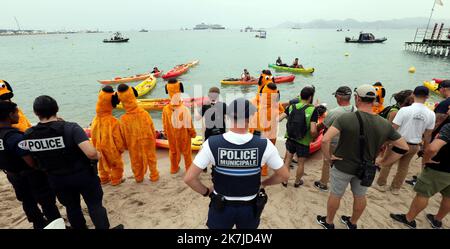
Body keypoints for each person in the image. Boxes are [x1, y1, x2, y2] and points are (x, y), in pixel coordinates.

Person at [184, 98, 289, 229]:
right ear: (251, 117)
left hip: (221, 207)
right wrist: (264, 183)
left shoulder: (212, 143)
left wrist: (206, 192)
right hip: (250, 208)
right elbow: (284, 175)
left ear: (227, 116)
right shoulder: (264, 145)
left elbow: (189, 178)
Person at [316, 85, 409, 229]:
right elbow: (404, 147)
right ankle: (352, 223)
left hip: (342, 165)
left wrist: (328, 158)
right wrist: (384, 162)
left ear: (357, 98)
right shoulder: (384, 124)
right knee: (360, 196)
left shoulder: (346, 118)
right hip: (366, 167)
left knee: (336, 194)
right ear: (374, 100)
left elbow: (325, 140)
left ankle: (328, 222)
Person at [23, 96, 116, 229]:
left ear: (36, 113)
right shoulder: (71, 128)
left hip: (56, 178)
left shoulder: (29, 134)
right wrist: (98, 156)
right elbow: (90, 153)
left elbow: (31, 160)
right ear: (57, 109)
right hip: (82, 175)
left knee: (72, 208)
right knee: (95, 205)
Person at [0, 101, 61, 229]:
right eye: (16, 113)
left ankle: (38, 223)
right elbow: (29, 159)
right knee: (47, 202)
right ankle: (54, 223)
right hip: (29, 174)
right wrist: (40, 168)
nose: (18, 115)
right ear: (10, 115)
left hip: (11, 174)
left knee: (27, 200)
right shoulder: (14, 137)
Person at [374, 86, 435, 195]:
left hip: (399, 143)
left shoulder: (404, 110)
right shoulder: (431, 114)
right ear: (427, 97)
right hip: (415, 145)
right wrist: (425, 148)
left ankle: (381, 185)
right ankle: (395, 188)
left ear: (413, 95)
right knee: (403, 167)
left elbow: (393, 128)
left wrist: (385, 142)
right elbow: (428, 134)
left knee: (387, 163)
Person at [390, 121, 450, 229]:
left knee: (423, 194)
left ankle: (409, 219)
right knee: (448, 196)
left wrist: (426, 159)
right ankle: (437, 220)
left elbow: (433, 148)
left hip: (441, 168)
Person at [314, 86, 355, 192]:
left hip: (334, 142)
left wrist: (313, 130)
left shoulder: (335, 112)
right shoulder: (355, 110)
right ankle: (340, 183)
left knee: (327, 162)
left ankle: (323, 183)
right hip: (349, 142)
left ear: (339, 97)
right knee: (342, 163)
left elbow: (323, 126)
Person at [117, 84, 159, 182]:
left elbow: (122, 135)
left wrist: (125, 146)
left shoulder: (123, 119)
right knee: (151, 157)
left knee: (136, 160)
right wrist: (153, 138)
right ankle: (154, 174)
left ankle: (139, 177)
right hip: (147, 139)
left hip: (133, 143)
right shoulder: (144, 113)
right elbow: (152, 127)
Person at [279, 86, 319, 187]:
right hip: (303, 141)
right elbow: (313, 130)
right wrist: (314, 137)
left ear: (300, 96)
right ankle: (297, 182)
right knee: (301, 163)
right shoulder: (312, 110)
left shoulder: (292, 106)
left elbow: (279, 119)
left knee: (288, 159)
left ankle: (285, 181)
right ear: (310, 97)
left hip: (290, 138)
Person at [90, 86, 125, 186]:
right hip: (111, 147)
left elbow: (93, 134)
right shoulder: (112, 121)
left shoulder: (95, 120)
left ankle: (104, 178)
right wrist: (121, 148)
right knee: (116, 164)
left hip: (98, 147)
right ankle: (116, 179)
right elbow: (117, 137)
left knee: (102, 163)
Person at [250, 83, 285, 176]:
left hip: (257, 130)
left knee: (255, 149)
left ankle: (254, 167)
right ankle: (264, 170)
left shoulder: (257, 99)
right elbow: (281, 114)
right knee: (266, 151)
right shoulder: (276, 103)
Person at [162, 78, 196, 174]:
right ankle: (188, 169)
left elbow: (164, 123)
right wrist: (193, 133)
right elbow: (189, 124)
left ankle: (174, 168)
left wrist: (165, 133)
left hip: (172, 136)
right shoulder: (184, 109)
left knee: (173, 152)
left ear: (167, 90)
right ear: (179, 90)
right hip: (183, 136)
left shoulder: (165, 109)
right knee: (187, 153)